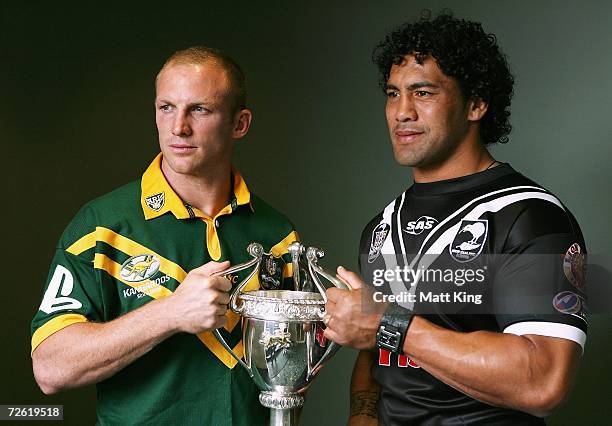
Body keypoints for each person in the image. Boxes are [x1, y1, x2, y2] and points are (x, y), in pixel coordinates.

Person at [323, 11, 587, 426]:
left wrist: (391, 323)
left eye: (423, 93)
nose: (401, 112)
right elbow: (374, 349)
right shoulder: (381, 227)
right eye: (393, 94)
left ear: (476, 103)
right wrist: (362, 417)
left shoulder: (529, 216)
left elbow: (544, 380)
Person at [31, 46, 298, 425]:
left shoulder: (279, 237)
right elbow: (50, 368)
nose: (178, 128)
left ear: (240, 123)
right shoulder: (102, 226)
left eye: (199, 109)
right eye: (166, 108)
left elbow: (290, 376)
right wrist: (170, 314)